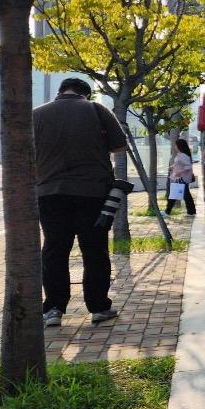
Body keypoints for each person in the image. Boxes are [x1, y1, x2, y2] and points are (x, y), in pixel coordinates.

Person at [33, 77, 127, 327]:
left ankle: (53, 309)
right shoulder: (97, 110)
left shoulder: (36, 115)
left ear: (60, 92)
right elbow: (120, 146)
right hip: (93, 193)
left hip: (49, 193)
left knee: (54, 250)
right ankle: (98, 307)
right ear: (86, 94)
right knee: (95, 250)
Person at [165, 137, 197, 216]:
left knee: (174, 194)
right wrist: (172, 166)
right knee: (186, 196)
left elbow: (188, 166)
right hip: (180, 178)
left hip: (182, 178)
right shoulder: (180, 154)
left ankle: (167, 212)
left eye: (176, 145)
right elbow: (179, 164)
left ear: (179, 146)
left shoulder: (183, 155)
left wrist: (180, 172)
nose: (175, 146)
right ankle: (191, 212)